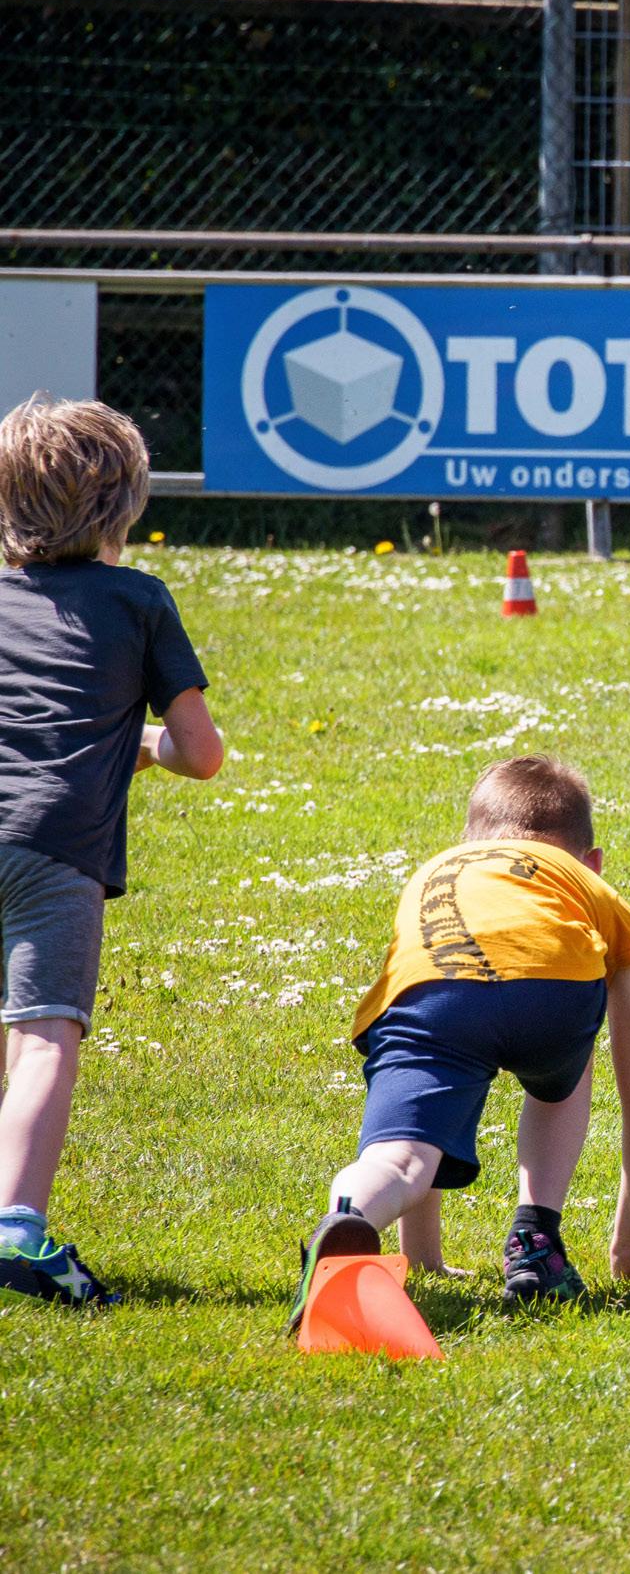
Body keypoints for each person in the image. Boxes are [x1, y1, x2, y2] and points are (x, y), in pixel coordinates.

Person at [290, 755, 630, 1330]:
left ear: (468, 841)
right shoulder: (591, 887)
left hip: (431, 991)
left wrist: (424, 1259)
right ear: (592, 863)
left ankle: (351, 1216)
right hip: (551, 989)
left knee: (400, 1155)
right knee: (564, 1070)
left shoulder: (438, 870)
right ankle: (536, 1240)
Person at [0, 397, 223, 1305]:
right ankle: (16, 1230)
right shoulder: (139, 601)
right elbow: (200, 752)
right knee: (43, 1034)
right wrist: (147, 745)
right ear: (122, 506)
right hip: (55, 844)